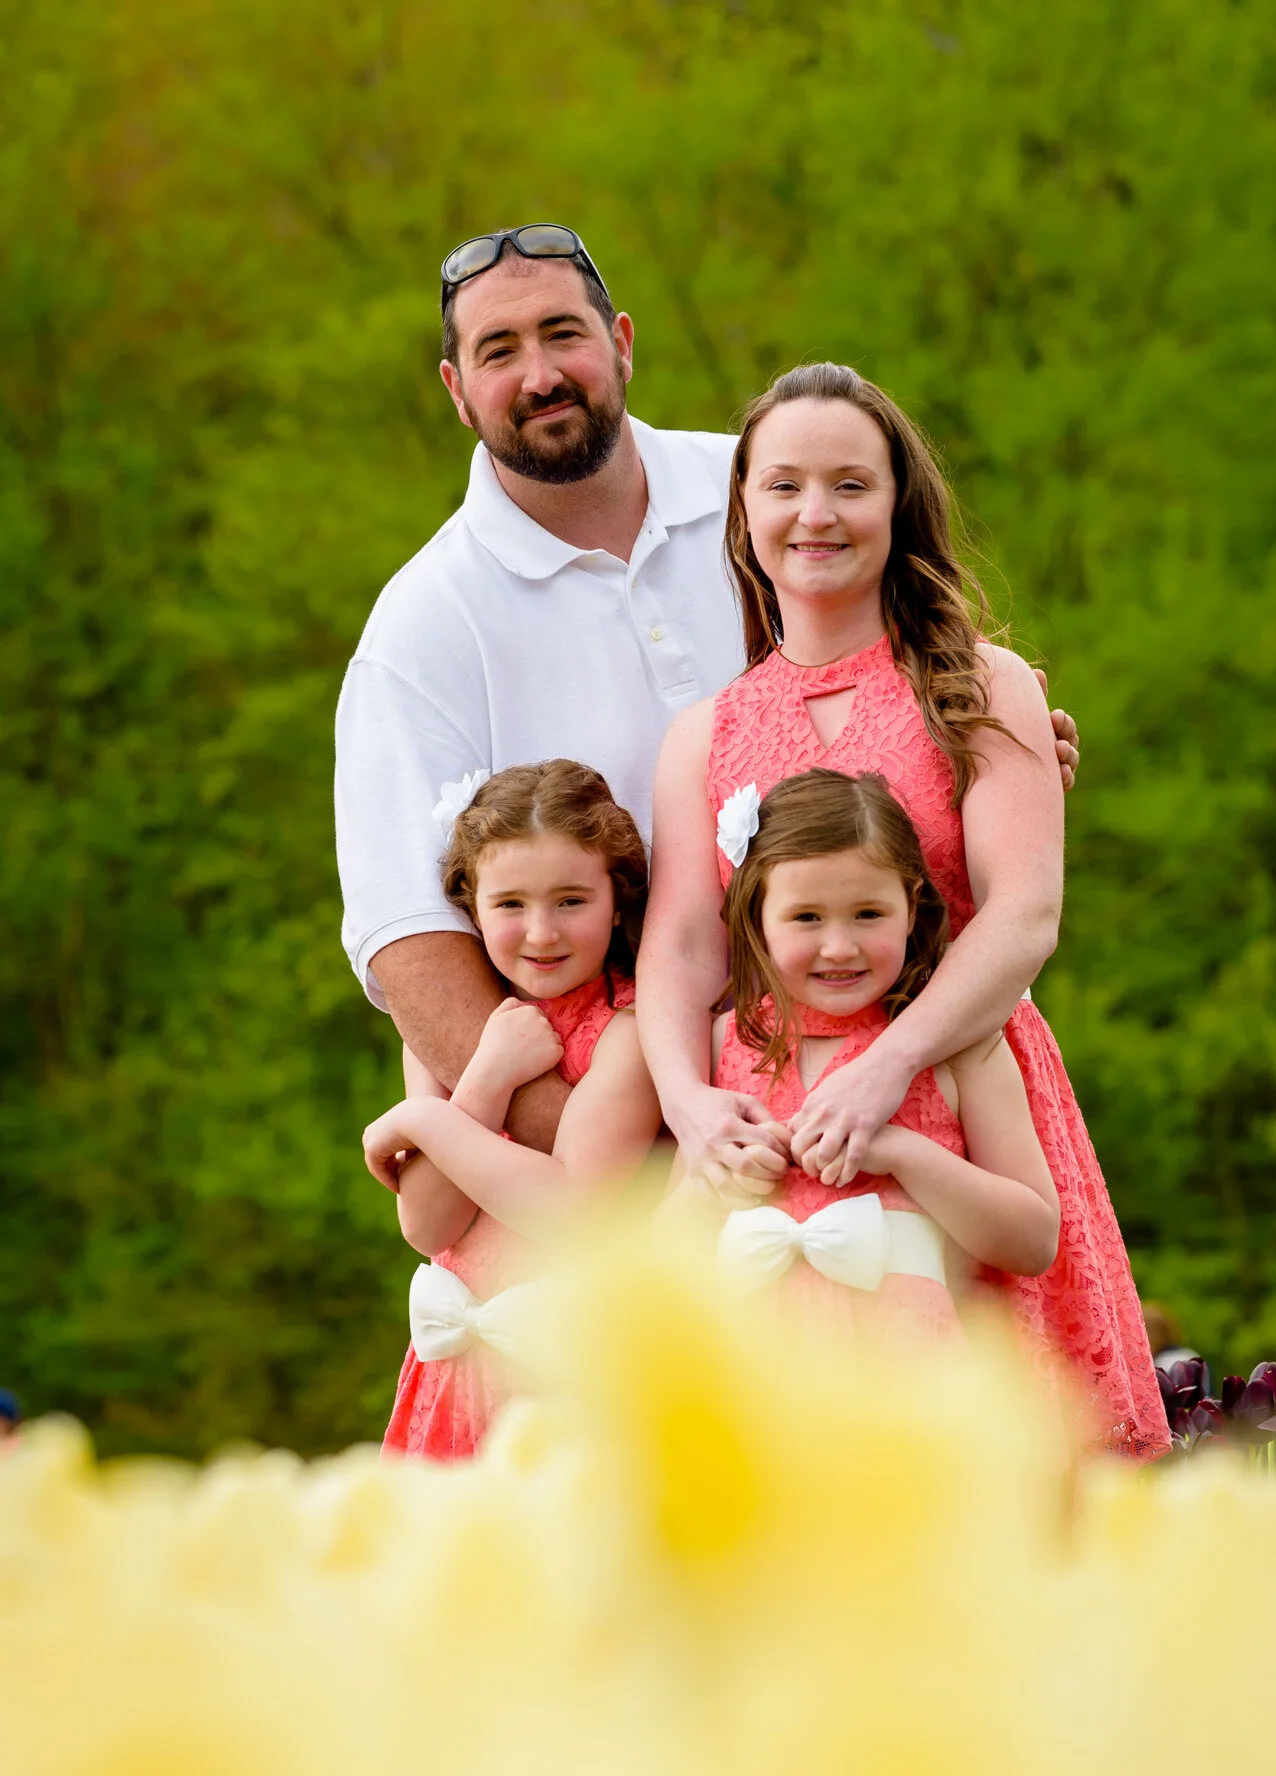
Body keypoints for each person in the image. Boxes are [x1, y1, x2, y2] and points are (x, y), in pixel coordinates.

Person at [334, 223, 1080, 1151]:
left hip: (913, 1078)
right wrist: (619, 1177)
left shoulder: (764, 486)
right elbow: (410, 944)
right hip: (648, 1130)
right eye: (498, 350)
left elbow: (928, 686)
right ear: (455, 389)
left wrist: (1002, 759)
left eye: (564, 333)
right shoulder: (422, 627)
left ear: (622, 343)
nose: (539, 375)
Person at [638, 362, 1167, 1456]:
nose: (814, 514)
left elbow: (1022, 914)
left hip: (966, 1103)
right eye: (783, 485)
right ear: (742, 513)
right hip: (783, 1123)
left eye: (849, 484)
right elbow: (684, 943)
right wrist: (690, 1101)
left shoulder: (980, 688)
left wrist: (892, 1063)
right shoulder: (705, 732)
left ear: (897, 502)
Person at [691, 768, 1059, 1346]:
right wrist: (712, 1182)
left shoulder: (961, 1047)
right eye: (806, 917)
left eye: (868, 914)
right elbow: (665, 1234)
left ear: (911, 909)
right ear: (757, 918)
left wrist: (901, 1153)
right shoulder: (725, 1041)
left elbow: (1034, 1241)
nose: (840, 946)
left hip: (907, 1373)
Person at [361, 761, 661, 1460]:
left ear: (617, 900)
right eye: (510, 905)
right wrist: (487, 1074)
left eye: (570, 901)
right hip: (454, 1377)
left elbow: (569, 1208)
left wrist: (423, 1122)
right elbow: (426, 1223)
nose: (541, 932)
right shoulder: (452, 1028)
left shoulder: (630, 1029)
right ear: (471, 906)